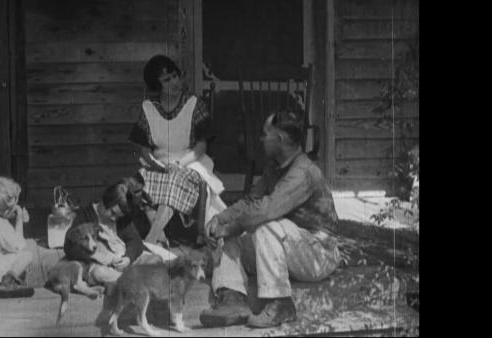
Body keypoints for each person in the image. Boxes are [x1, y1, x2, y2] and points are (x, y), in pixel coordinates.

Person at [200, 111, 342, 328]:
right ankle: (233, 299)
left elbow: (267, 210)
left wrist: (232, 227)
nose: (261, 139)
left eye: (266, 134)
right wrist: (221, 218)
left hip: (318, 254)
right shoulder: (273, 169)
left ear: (280, 139)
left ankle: (281, 304)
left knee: (266, 226)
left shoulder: (303, 172)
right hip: (290, 248)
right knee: (232, 238)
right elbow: (250, 202)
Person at [128, 54, 227, 247]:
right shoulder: (149, 109)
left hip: (191, 161)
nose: (174, 82)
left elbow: (201, 146)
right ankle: (161, 238)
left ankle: (152, 238)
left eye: (175, 76)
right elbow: (143, 149)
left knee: (173, 180)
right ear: (157, 87)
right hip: (159, 164)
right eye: (166, 80)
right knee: (139, 183)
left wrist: (179, 164)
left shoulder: (193, 104)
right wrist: (153, 163)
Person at [69, 179, 171, 288]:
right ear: (104, 202)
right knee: (100, 273)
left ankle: (133, 280)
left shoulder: (120, 219)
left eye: (117, 216)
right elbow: (70, 245)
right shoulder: (85, 216)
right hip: (100, 264)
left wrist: (128, 258)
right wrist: (102, 257)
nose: (114, 218)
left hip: (123, 261)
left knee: (156, 260)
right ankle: (135, 281)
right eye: (112, 212)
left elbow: (135, 241)